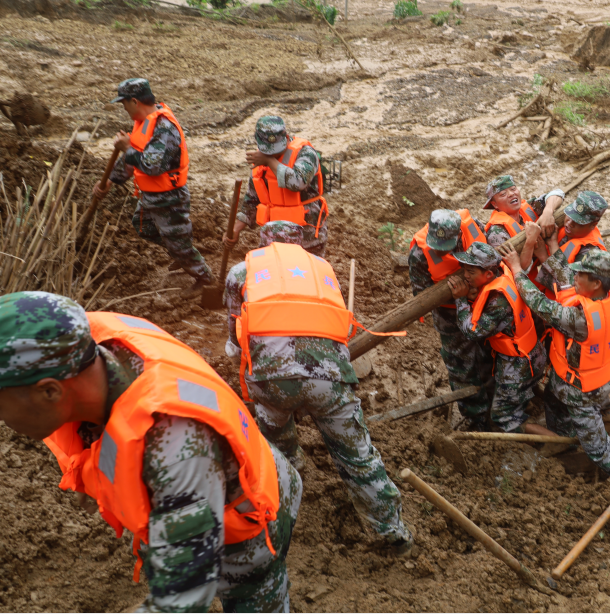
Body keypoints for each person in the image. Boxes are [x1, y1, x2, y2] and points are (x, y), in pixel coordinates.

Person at [0, 291, 301, 612]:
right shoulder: (88, 357)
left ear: (49, 391)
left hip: (254, 522)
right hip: (215, 481)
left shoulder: (173, 447)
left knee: (251, 594)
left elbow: (183, 599)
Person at [225, 221, 413, 555]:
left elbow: (234, 333)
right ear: (302, 244)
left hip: (272, 380)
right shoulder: (323, 270)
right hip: (329, 379)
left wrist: (241, 351)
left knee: (272, 445)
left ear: (263, 243)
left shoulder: (243, 271)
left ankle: (285, 493)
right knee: (358, 457)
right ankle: (391, 531)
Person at [502, 246, 610, 499]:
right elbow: (566, 275)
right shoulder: (606, 298)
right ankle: (565, 443)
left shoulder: (581, 319)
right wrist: (545, 247)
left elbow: (539, 303)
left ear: (596, 282)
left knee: (599, 449)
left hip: (582, 391)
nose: (574, 278)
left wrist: (516, 269)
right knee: (554, 404)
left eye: (581, 275)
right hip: (573, 380)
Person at [93, 78, 212, 294]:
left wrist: (127, 148)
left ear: (135, 101)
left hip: (169, 198)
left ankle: (204, 277)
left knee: (176, 241)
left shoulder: (164, 128)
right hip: (151, 196)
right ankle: (182, 252)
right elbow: (134, 158)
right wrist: (110, 180)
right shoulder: (142, 123)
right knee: (143, 227)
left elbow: (152, 165)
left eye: (124, 103)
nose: (124, 108)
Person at [445, 242, 549, 434]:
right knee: (517, 396)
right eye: (464, 270)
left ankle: (553, 441)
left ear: (488, 275)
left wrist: (460, 299)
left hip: (518, 366)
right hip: (532, 354)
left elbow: (472, 332)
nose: (465, 276)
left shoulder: (498, 303)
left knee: (502, 417)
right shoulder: (504, 274)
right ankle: (521, 404)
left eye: (471, 272)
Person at [407, 209, 495, 429]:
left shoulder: (473, 226)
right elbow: (423, 296)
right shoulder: (420, 253)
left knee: (490, 356)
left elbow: (492, 257)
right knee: (461, 366)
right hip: (449, 315)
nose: (441, 249)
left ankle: (496, 408)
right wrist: (458, 297)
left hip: (485, 304)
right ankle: (475, 418)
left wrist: (475, 290)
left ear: (458, 234)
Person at [224, 116, 329, 257]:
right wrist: (235, 230)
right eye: (268, 151)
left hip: (307, 238)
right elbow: (252, 201)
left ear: (286, 137)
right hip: (273, 237)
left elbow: (297, 182)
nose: (273, 153)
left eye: (276, 149)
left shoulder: (306, 154)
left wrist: (268, 160)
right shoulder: (260, 161)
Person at [482, 174, 564, 273]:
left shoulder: (528, 208)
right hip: (527, 283)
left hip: (547, 268)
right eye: (503, 194)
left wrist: (547, 212)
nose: (511, 194)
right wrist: (530, 242)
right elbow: (515, 271)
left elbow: (558, 193)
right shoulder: (497, 232)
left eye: (513, 189)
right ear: (495, 204)